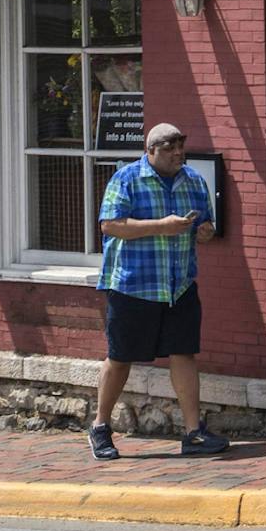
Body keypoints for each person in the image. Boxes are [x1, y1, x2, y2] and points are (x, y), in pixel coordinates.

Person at [89, 122, 226, 461]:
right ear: (150, 151)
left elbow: (205, 226)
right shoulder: (127, 179)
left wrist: (205, 231)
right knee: (121, 357)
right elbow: (111, 225)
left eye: (180, 146)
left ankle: (193, 432)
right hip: (133, 285)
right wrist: (162, 226)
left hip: (178, 285)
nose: (178, 153)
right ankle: (100, 427)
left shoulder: (193, 180)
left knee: (183, 353)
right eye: (169, 147)